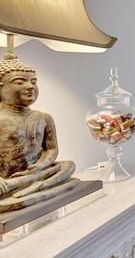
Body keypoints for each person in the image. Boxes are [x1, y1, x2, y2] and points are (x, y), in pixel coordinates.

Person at [0, 52, 77, 212]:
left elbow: (51, 149)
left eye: (33, 81)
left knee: (68, 165)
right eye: (20, 82)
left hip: (35, 173)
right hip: (5, 178)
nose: (30, 87)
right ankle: (16, 187)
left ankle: (37, 186)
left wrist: (42, 164)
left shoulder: (43, 118)